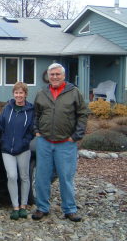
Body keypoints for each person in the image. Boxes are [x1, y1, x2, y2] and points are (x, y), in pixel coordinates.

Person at [32, 63, 88, 222]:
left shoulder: (74, 92)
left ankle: (70, 209)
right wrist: (36, 131)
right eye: (52, 74)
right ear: (48, 76)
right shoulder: (42, 93)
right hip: (44, 141)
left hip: (66, 143)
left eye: (57, 74)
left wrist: (76, 136)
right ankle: (42, 207)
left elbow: (83, 114)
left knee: (66, 177)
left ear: (63, 76)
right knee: (42, 176)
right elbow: (36, 114)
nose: (55, 77)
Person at [0, 82, 34, 220]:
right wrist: (2, 140)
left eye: (21, 93)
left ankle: (23, 206)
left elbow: (32, 129)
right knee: (12, 176)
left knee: (24, 176)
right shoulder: (7, 108)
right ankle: (15, 206)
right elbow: (0, 124)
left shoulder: (31, 110)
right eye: (16, 93)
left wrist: (25, 142)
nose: (18, 95)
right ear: (14, 94)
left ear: (25, 94)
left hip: (23, 149)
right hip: (7, 149)